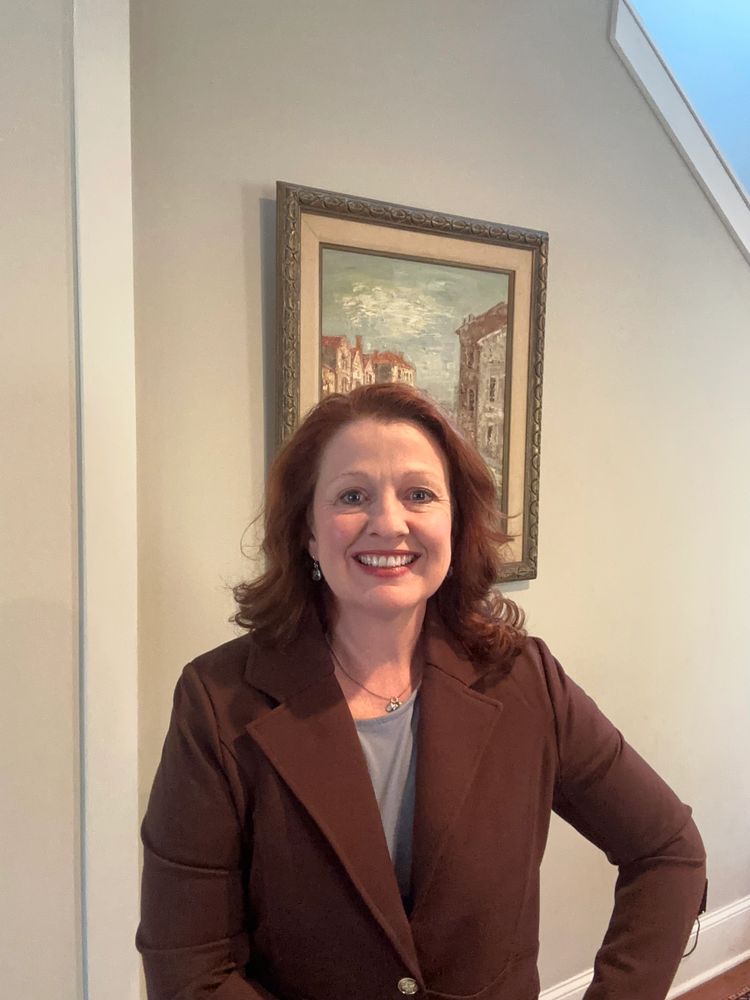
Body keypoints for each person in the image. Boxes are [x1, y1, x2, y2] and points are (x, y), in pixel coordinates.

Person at [137, 382, 706, 1000]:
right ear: (307, 530)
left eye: (419, 494)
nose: (388, 522)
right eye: (352, 495)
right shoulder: (216, 701)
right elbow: (191, 968)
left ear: (455, 523)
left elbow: (668, 851)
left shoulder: (525, 680)